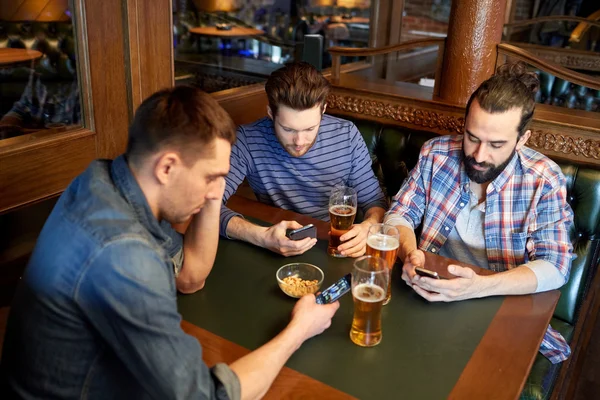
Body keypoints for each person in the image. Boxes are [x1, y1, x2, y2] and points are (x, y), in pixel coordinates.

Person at [0, 86, 339, 399]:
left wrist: (212, 187)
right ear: (167, 167)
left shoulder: (105, 182)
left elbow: (191, 276)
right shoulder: (124, 254)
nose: (214, 192)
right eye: (210, 177)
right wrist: (299, 330)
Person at [385, 62, 574, 364]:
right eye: (472, 137)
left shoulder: (543, 179)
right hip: (426, 291)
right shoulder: (436, 154)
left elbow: (556, 266)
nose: (479, 155)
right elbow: (399, 214)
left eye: (497, 144)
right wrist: (409, 253)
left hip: (499, 306)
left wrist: (479, 287)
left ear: (523, 139)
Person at [220, 61, 387, 258]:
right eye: (288, 129)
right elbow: (207, 204)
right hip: (273, 241)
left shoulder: (347, 135)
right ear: (271, 113)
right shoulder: (248, 140)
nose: (299, 141)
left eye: (309, 129)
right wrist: (261, 236)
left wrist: (368, 227)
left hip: (330, 245)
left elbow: (374, 202)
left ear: (323, 110)